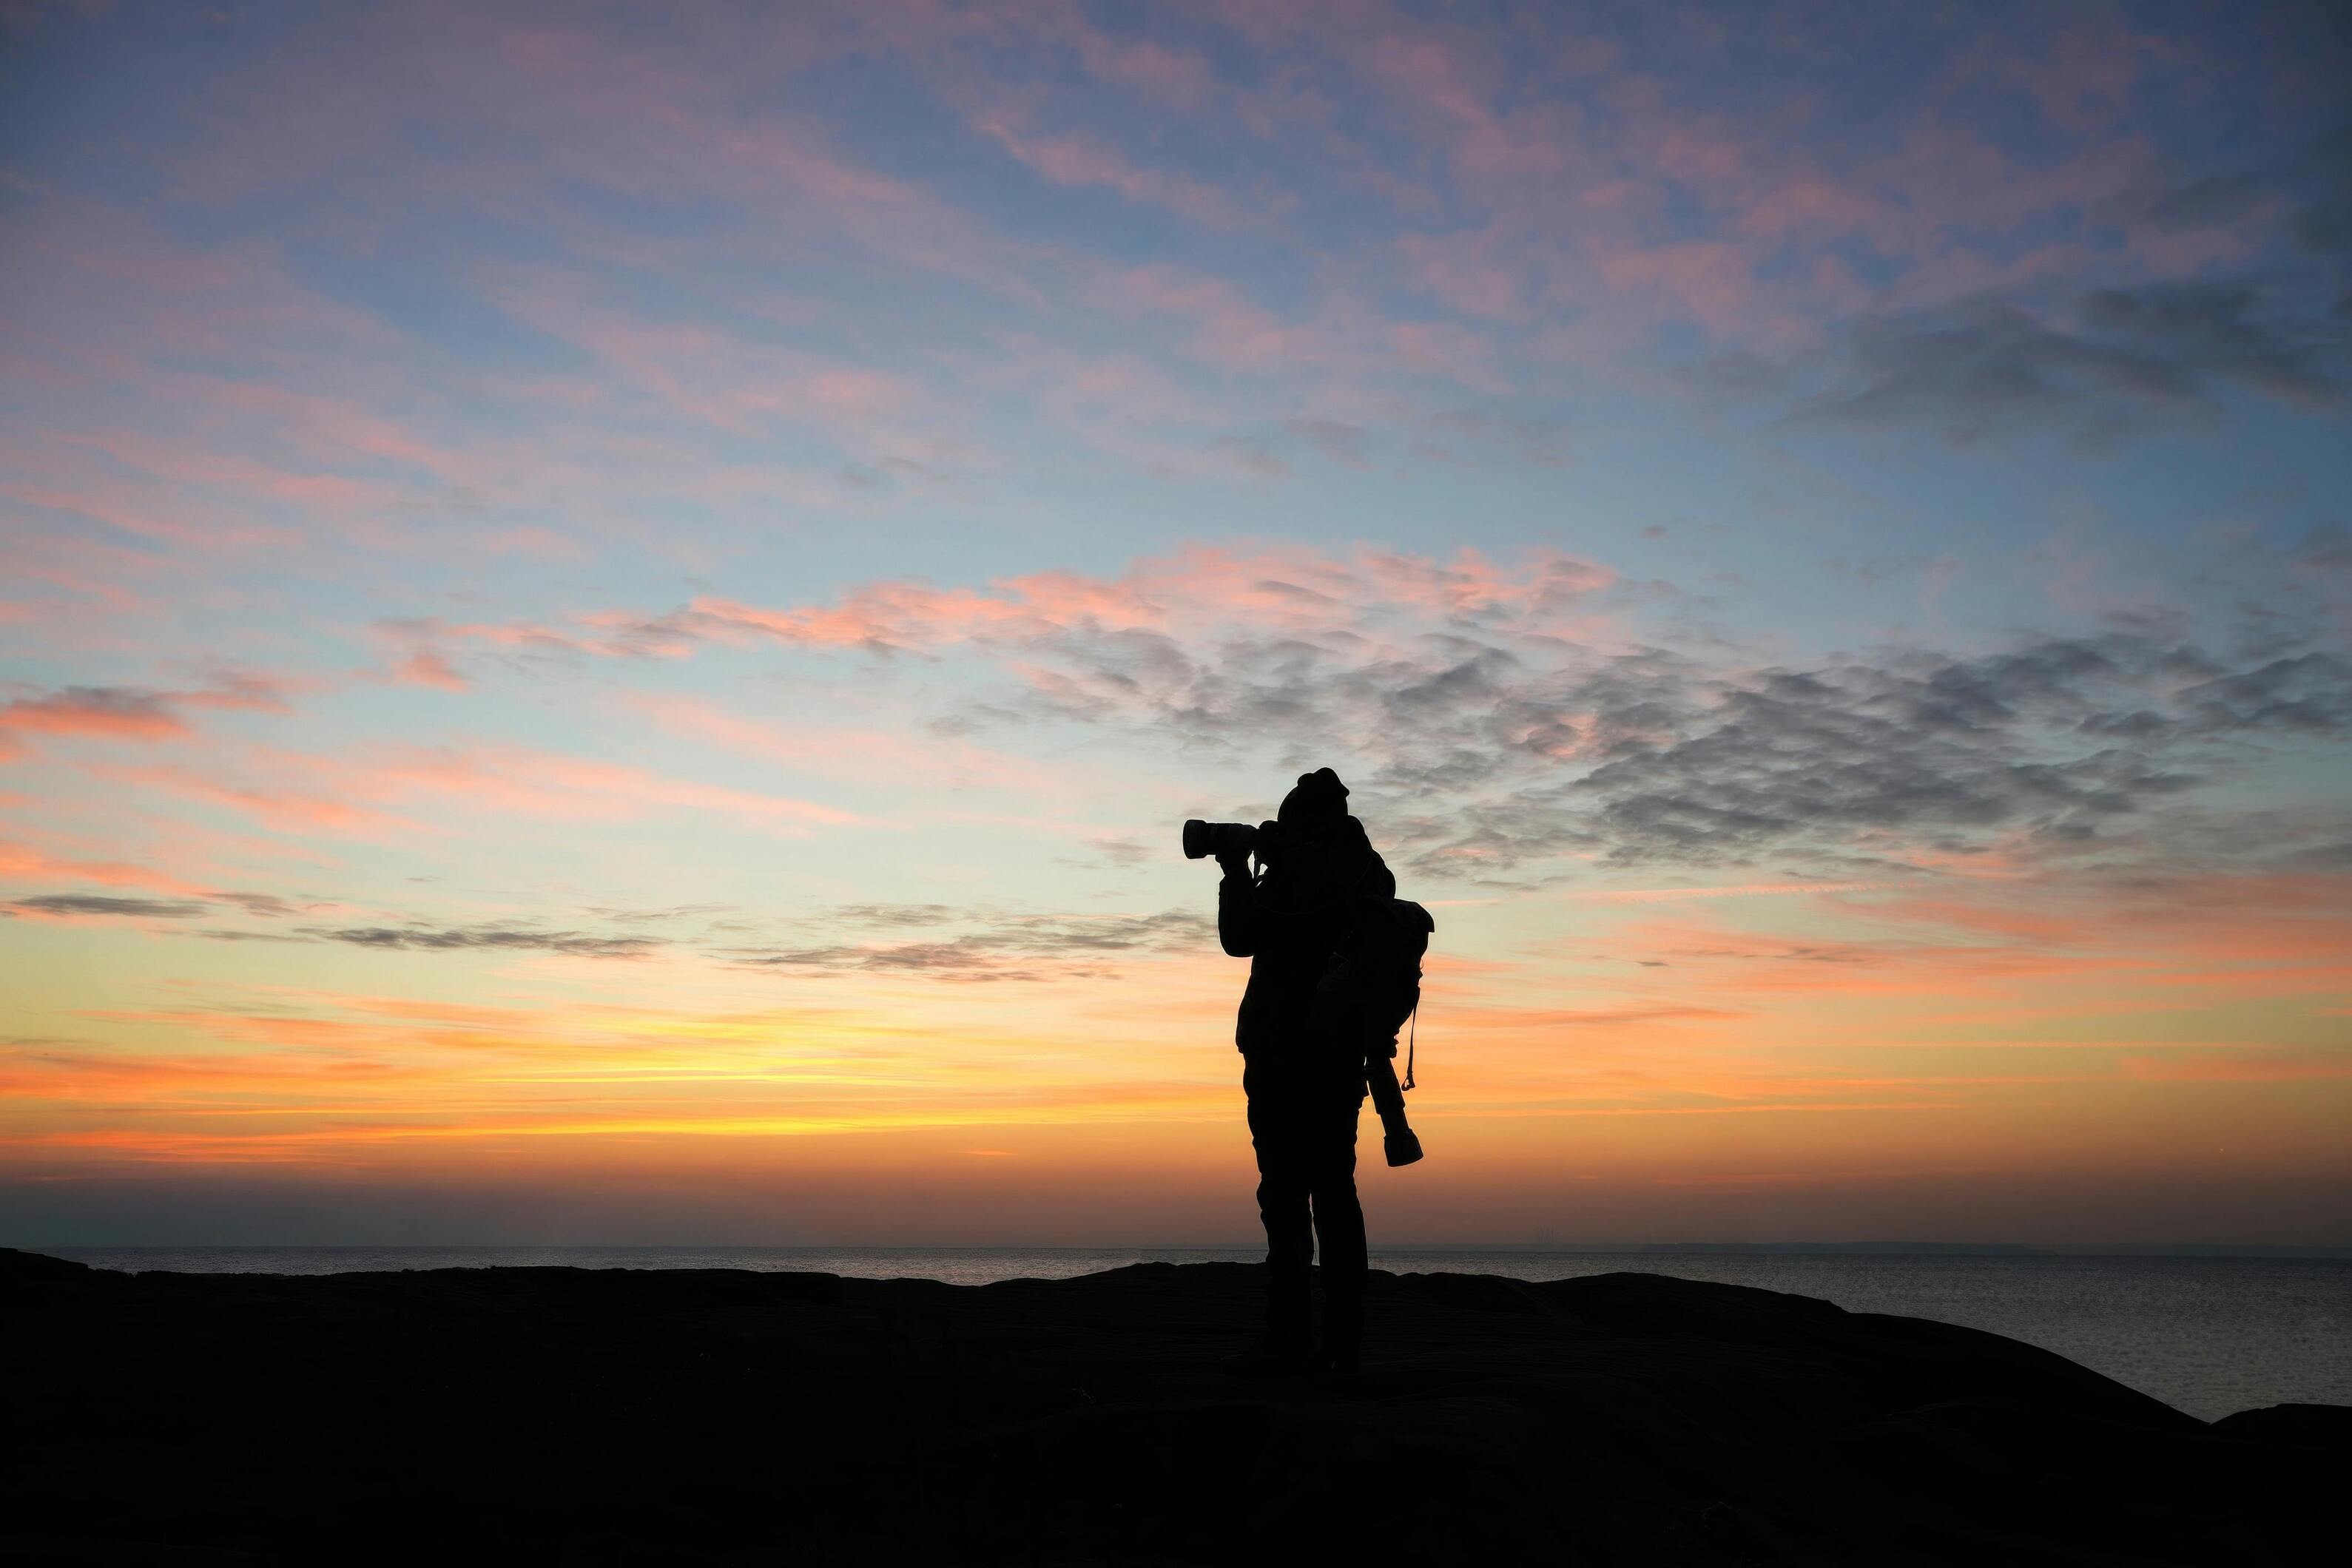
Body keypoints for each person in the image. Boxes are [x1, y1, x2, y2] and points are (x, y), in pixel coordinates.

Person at [1214, 766, 1394, 1377]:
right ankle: (1340, 1342)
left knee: (1289, 1198)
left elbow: (1240, 938)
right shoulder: (1370, 871)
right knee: (1330, 1192)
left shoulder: (1318, 872)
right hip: (1333, 1056)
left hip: (1288, 1053)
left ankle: (1291, 1340)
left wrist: (1241, 868)